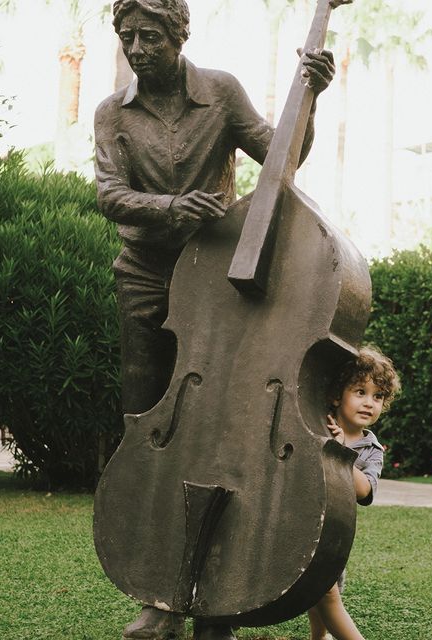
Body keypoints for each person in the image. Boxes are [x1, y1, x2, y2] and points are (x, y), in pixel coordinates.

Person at [93, 1, 337, 639]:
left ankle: (217, 596)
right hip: (146, 276)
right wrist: (175, 206)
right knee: (146, 425)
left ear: (178, 37)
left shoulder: (221, 92)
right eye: (127, 37)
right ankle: (158, 595)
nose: (137, 47)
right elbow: (109, 194)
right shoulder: (112, 114)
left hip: (218, 281)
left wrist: (307, 97)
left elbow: (279, 164)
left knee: (229, 428)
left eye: (150, 35)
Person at [307, 346, 401, 640]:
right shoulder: (315, 424)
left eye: (378, 396)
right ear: (337, 395)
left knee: (326, 593)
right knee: (323, 594)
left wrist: (341, 452)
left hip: (334, 534)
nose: (369, 403)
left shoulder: (372, 450)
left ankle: (320, 637)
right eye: (360, 391)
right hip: (302, 523)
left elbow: (364, 491)